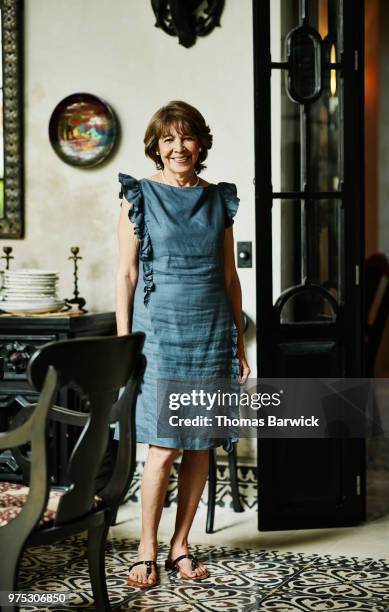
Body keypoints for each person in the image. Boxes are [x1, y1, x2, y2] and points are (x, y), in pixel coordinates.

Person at [115, 100, 250, 588]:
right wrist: (123, 342)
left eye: (187, 137)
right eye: (168, 139)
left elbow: (231, 278)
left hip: (211, 333)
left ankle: (180, 545)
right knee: (163, 449)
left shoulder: (220, 200)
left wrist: (238, 344)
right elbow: (127, 273)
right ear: (156, 146)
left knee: (200, 446)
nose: (178, 147)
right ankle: (146, 548)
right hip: (161, 337)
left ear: (201, 144)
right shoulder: (140, 196)